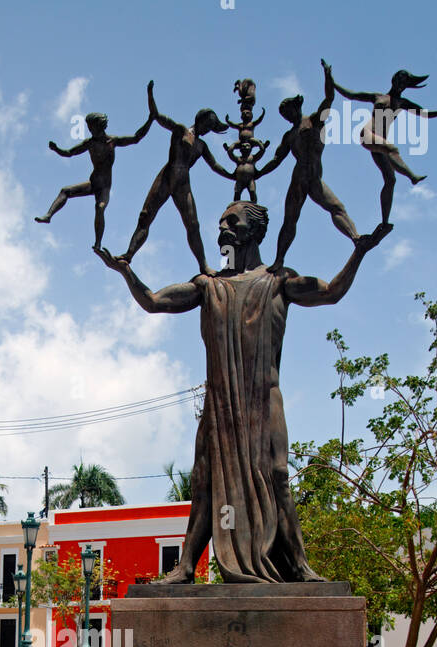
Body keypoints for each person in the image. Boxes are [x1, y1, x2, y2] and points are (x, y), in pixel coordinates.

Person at [96, 201, 391, 583]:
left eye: (231, 221)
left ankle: (299, 565)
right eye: (219, 221)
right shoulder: (209, 286)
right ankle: (186, 566)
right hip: (220, 405)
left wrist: (358, 252)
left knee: (279, 474)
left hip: (263, 398)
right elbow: (153, 302)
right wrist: (126, 271)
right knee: (204, 479)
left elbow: (331, 292)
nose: (222, 228)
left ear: (255, 231)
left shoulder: (279, 281)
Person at [321, 62, 437, 224]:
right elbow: (351, 95)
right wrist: (330, 79)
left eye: (404, 83)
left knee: (390, 180)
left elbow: (424, 113)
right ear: (393, 81)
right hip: (368, 134)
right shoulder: (378, 96)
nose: (400, 85)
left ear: (406, 86)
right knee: (392, 148)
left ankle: (384, 222)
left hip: (379, 145)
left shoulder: (403, 103)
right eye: (399, 81)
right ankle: (412, 176)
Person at [121, 81, 229, 275]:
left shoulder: (202, 146)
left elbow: (215, 165)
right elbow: (158, 116)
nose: (209, 130)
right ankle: (128, 255)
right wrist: (150, 95)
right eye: (209, 125)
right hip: (167, 175)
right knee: (146, 215)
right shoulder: (181, 130)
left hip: (183, 182)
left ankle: (203, 265)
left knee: (193, 224)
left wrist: (232, 175)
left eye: (212, 127)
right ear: (201, 120)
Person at [257, 65, 358, 270]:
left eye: (287, 111)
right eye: (283, 114)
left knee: (337, 207)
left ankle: (356, 238)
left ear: (296, 108)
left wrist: (328, 77)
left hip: (315, 177)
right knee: (290, 219)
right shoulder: (289, 136)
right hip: (300, 177)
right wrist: (257, 173)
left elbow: (329, 100)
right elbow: (276, 160)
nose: (287, 116)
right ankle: (279, 260)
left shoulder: (314, 121)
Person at [35, 108, 153, 250]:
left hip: (104, 187)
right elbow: (70, 153)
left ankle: (98, 243)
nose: (90, 131)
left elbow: (136, 138)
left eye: (92, 128)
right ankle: (48, 215)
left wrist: (150, 120)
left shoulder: (112, 141)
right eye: (89, 128)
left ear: (100, 127)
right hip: (93, 183)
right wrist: (57, 149)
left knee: (100, 208)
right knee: (65, 191)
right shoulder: (89, 143)